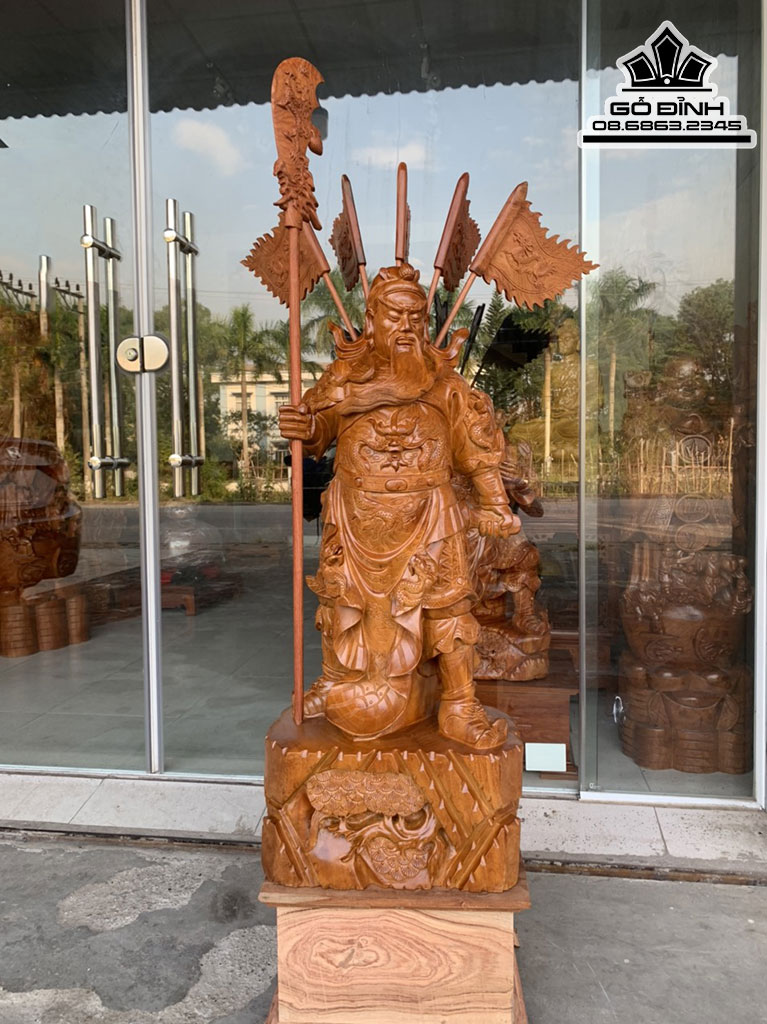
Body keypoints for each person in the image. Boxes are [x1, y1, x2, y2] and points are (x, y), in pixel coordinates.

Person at [279, 263, 518, 749]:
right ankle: (334, 679)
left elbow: (474, 444)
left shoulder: (444, 382)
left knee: (447, 607)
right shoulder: (344, 377)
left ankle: (459, 703)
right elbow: (318, 433)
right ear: (371, 320)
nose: (406, 326)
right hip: (354, 513)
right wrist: (303, 428)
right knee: (339, 597)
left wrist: (495, 502)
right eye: (394, 315)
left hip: (430, 513)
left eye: (416, 317)